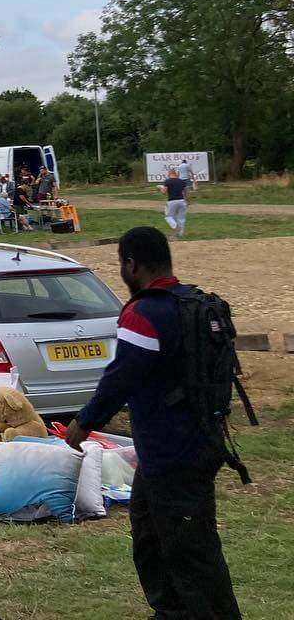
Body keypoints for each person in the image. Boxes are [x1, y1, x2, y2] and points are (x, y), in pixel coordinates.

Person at [64, 227, 242, 619]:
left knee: (191, 553)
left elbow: (120, 379)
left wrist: (84, 423)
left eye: (121, 264)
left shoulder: (144, 314)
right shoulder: (188, 302)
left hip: (172, 454)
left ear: (132, 265)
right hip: (191, 444)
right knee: (149, 539)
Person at [160, 167, 192, 238]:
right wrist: (187, 201)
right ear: (176, 174)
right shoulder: (182, 181)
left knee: (168, 217)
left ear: (169, 173)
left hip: (172, 201)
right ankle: (180, 234)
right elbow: (185, 192)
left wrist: (161, 188)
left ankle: (176, 226)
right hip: (182, 201)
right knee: (181, 218)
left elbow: (164, 192)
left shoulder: (167, 181)